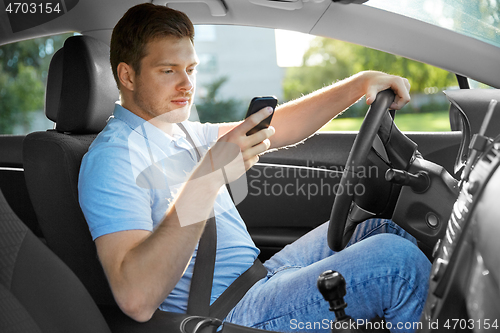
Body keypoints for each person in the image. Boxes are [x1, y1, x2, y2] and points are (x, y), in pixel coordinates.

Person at [78, 3, 431, 332]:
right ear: (127, 75)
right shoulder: (113, 158)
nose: (186, 85)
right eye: (168, 70)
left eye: (191, 69)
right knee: (395, 264)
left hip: (258, 276)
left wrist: (358, 85)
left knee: (381, 226)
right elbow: (135, 298)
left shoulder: (177, 131)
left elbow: (284, 127)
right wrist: (209, 177)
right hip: (224, 312)